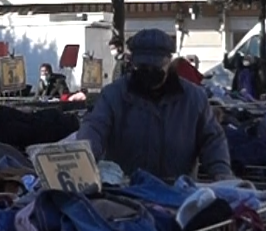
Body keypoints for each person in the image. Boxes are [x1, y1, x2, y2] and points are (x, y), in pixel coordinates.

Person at [74, 28, 231, 181]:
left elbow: (212, 139)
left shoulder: (194, 98)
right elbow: (94, 128)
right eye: (143, 67)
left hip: (178, 194)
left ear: (169, 62)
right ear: (132, 63)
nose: (149, 72)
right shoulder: (114, 96)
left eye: (155, 67)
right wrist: (84, 158)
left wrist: (221, 172)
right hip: (128, 192)